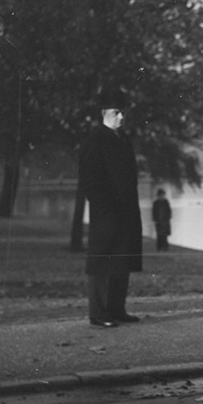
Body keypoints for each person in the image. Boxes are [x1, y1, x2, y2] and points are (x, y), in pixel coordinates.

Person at [77, 88, 143, 328]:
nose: (121, 117)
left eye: (123, 113)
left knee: (121, 262)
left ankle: (117, 309)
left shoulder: (122, 139)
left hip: (125, 212)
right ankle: (99, 313)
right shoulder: (95, 141)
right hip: (106, 214)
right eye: (117, 113)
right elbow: (90, 182)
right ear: (104, 113)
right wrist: (105, 209)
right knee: (102, 264)